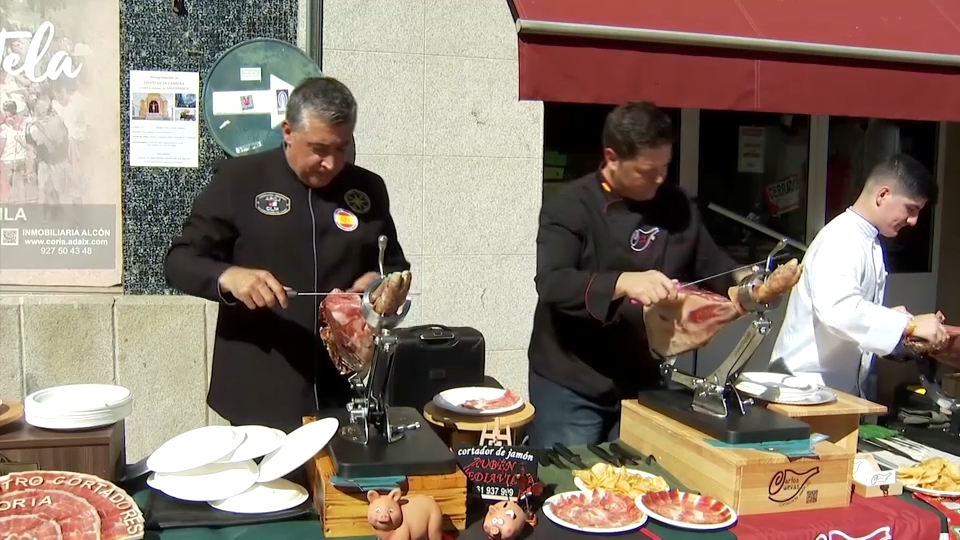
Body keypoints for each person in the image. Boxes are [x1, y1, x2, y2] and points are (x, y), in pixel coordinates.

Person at [165, 77, 409, 433]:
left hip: (343, 391)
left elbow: (394, 267)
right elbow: (178, 261)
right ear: (288, 132)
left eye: (341, 148)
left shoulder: (368, 189)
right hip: (260, 390)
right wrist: (229, 277)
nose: (331, 163)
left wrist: (376, 288)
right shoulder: (240, 179)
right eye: (319, 149)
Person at [527, 102, 750, 448]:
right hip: (571, 380)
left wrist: (748, 283)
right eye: (647, 171)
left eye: (664, 168)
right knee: (569, 488)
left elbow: (713, 265)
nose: (659, 179)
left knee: (638, 485)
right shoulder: (571, 205)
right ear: (612, 157)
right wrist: (621, 282)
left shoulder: (675, 205)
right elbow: (552, 283)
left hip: (643, 378)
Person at [769, 154, 947, 397]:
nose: (914, 221)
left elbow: (853, 313)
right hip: (801, 389)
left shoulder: (867, 240)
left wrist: (898, 324)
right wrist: (909, 325)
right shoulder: (841, 239)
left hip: (834, 391)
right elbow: (839, 310)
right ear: (883, 195)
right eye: (911, 208)